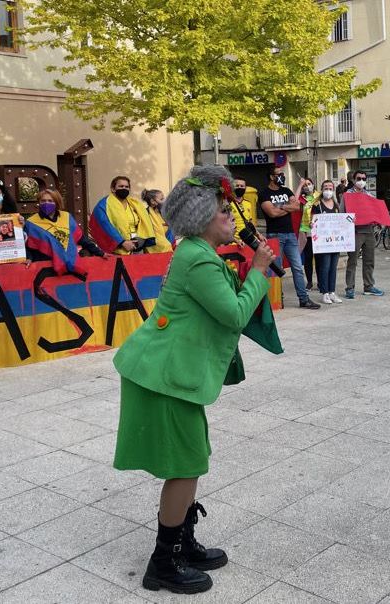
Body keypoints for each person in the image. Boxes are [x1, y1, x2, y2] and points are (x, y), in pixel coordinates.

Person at [112, 164, 277, 594]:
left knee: (192, 458)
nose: (233, 218)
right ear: (203, 216)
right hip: (163, 375)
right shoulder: (197, 259)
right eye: (225, 211)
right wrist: (259, 269)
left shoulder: (198, 254)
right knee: (186, 465)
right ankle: (163, 562)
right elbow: (235, 314)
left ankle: (182, 544)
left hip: (172, 373)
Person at [258, 166, 320, 309]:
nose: (282, 177)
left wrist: (280, 207)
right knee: (277, 268)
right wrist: (287, 207)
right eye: (279, 174)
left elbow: (297, 207)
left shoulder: (286, 191)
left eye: (283, 174)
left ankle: (303, 299)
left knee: (298, 267)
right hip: (274, 236)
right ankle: (277, 298)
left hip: (291, 235)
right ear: (271, 177)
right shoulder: (264, 193)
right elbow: (271, 213)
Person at [25, 188, 106, 275]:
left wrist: (100, 253)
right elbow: (28, 245)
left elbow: (81, 239)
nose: (46, 203)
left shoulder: (66, 217)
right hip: (46, 266)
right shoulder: (31, 222)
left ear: (57, 203)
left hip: (70, 264)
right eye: (43, 201)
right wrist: (28, 258)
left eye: (50, 201)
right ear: (39, 203)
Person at [341, 170, 384, 298]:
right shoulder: (347, 196)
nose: (361, 181)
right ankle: (349, 288)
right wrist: (349, 221)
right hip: (355, 232)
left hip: (369, 231)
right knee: (352, 261)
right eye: (359, 178)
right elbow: (342, 213)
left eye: (364, 179)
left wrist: (379, 220)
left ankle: (369, 286)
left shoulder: (369, 195)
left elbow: (374, 211)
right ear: (353, 180)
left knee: (369, 261)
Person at [89, 176, 157, 256]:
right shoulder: (103, 205)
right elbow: (104, 225)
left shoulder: (135, 204)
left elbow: (144, 224)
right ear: (113, 189)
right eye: (121, 186)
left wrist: (140, 240)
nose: (124, 188)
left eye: (127, 187)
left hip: (137, 247)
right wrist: (122, 242)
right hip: (117, 249)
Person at [312, 180, 343, 304]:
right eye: (326, 187)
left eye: (330, 188)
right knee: (324, 267)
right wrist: (312, 223)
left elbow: (341, 221)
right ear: (321, 189)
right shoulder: (317, 204)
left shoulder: (336, 205)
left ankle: (332, 292)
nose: (328, 190)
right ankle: (324, 292)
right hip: (323, 243)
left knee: (333, 268)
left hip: (335, 242)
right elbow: (312, 220)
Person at [295, 178, 318, 290]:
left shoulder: (319, 196)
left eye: (309, 184)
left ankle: (321, 281)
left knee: (319, 258)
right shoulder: (302, 199)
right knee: (308, 258)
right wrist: (300, 185)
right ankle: (309, 281)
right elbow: (294, 200)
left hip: (319, 231)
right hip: (306, 231)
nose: (307, 186)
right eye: (305, 185)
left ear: (313, 185)